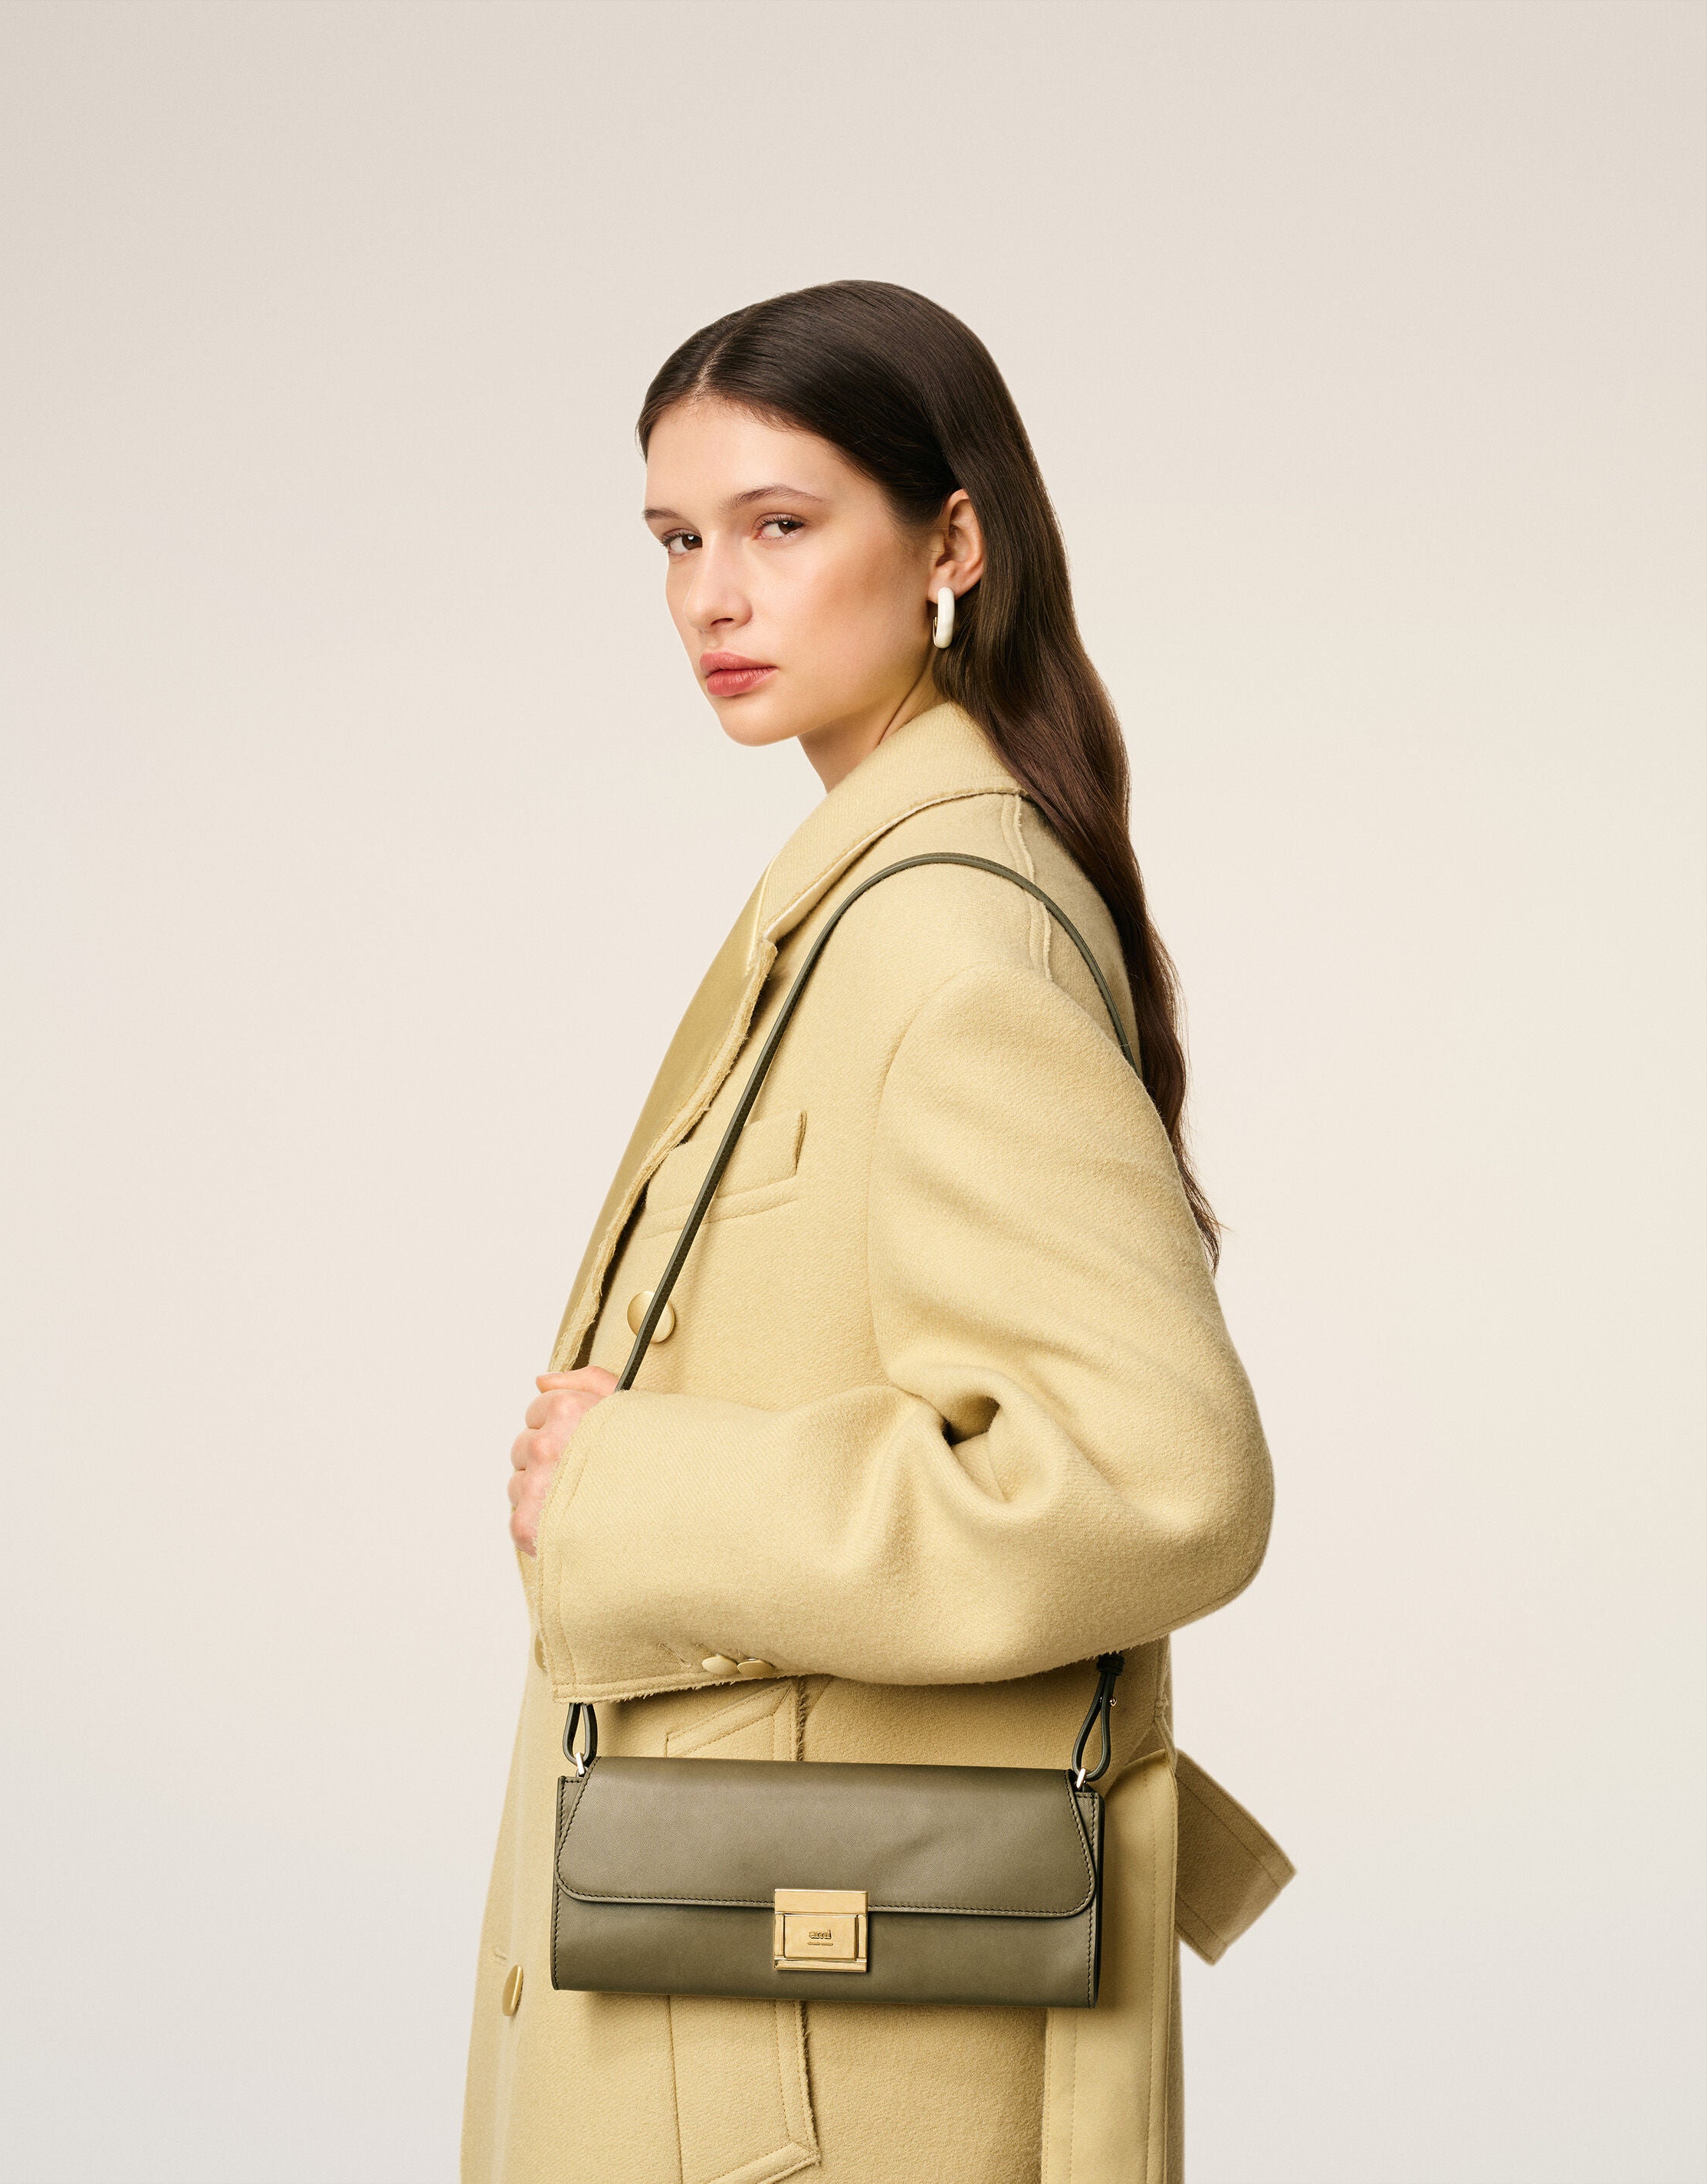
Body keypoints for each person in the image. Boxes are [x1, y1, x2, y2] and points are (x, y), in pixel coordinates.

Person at [463, 280, 1290, 2184]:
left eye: (778, 524)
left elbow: (1159, 1480)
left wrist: (633, 1490)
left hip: (827, 2062)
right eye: (678, 541)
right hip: (771, 1988)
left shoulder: (945, 937)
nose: (712, 599)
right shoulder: (858, 903)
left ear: (951, 543)